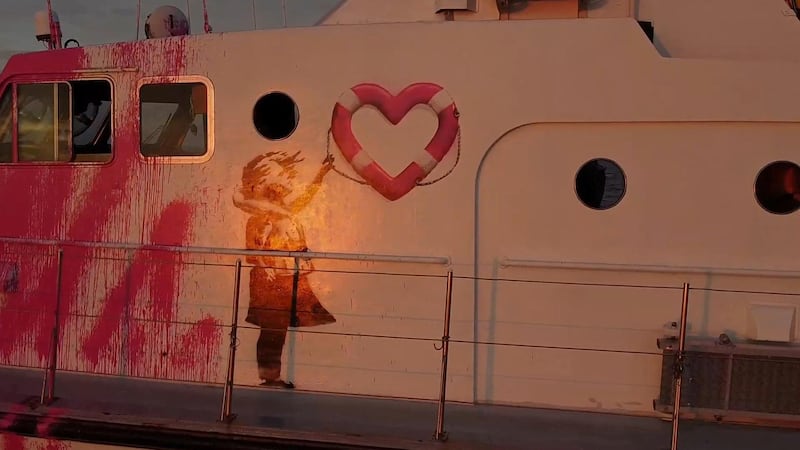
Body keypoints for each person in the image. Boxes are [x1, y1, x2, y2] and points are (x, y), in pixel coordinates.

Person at [233, 151, 336, 388]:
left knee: (278, 329)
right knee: (272, 328)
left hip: (289, 279)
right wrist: (264, 266)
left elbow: (307, 197)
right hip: (269, 282)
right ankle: (269, 376)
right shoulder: (258, 220)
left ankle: (273, 375)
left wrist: (321, 173)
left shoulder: (286, 214)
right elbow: (252, 250)